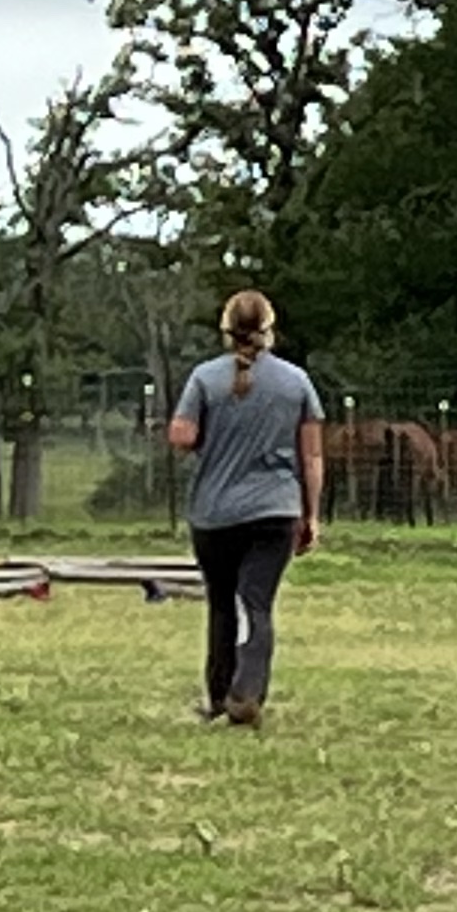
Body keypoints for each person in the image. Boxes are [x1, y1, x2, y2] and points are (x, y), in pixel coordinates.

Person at [166, 289, 323, 727]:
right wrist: (311, 514)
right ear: (269, 328)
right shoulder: (297, 382)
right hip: (275, 510)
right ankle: (248, 691)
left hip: (214, 513)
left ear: (226, 330)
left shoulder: (204, 378)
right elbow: (312, 456)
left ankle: (219, 696)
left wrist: (209, 435)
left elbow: (181, 435)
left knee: (221, 604)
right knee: (256, 602)